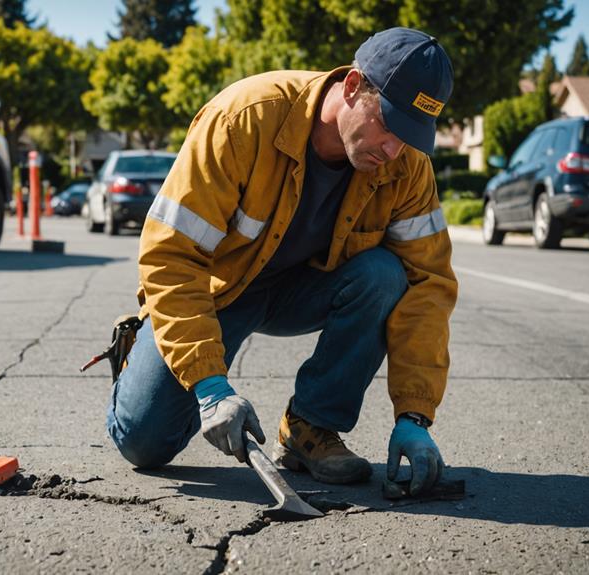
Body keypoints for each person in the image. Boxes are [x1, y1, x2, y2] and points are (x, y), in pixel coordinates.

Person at [105, 27, 457, 496]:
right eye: (389, 125)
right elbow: (171, 255)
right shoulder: (243, 119)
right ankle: (145, 348)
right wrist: (209, 386)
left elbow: (428, 283)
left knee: (385, 276)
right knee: (142, 444)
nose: (394, 149)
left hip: (302, 291)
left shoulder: (405, 164)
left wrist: (415, 416)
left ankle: (310, 428)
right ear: (352, 86)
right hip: (219, 293)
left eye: (411, 135)